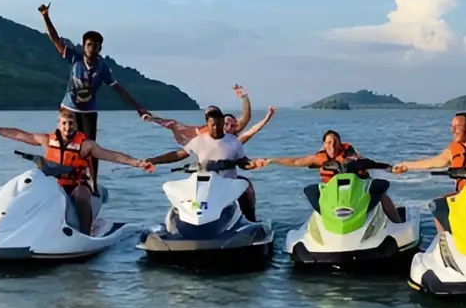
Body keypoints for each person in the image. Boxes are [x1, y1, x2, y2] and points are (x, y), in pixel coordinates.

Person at [0, 108, 154, 233]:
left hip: (75, 186)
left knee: (81, 193)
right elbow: (19, 134)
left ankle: (86, 232)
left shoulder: (86, 145)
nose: (67, 127)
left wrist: (137, 163)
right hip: (52, 186)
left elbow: (111, 155)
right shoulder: (47, 140)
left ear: (76, 125)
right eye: (64, 123)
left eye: (71, 123)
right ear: (59, 125)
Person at [37, 2, 149, 190]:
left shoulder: (102, 67)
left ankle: (93, 183)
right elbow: (55, 39)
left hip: (88, 111)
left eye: (96, 45)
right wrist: (46, 17)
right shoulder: (75, 58)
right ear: (84, 46)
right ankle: (57, 176)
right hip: (69, 107)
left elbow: (119, 88)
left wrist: (138, 107)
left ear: (100, 48)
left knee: (90, 147)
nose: (92, 48)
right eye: (89, 45)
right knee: (62, 142)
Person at [249, 129, 403, 223]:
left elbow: (371, 163)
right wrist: (272, 160)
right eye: (328, 143)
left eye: (335, 142)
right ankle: (326, 222)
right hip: (334, 194)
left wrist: (390, 168)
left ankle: (397, 222)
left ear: (340, 144)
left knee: (382, 194)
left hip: (358, 189)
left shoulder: (351, 157)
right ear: (323, 144)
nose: (332, 146)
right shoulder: (320, 158)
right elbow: (296, 161)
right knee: (312, 190)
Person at [144, 110, 258, 221]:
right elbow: (178, 155)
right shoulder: (198, 141)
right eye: (213, 125)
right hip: (203, 181)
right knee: (184, 194)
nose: (216, 128)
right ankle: (179, 219)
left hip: (227, 183)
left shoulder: (234, 142)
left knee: (247, 188)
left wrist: (253, 164)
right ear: (207, 125)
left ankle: (251, 219)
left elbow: (244, 162)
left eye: (218, 125)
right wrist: (153, 160)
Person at [144, 84, 256, 146]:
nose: (228, 127)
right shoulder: (202, 131)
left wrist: (244, 97)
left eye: (231, 125)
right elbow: (173, 124)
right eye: (226, 124)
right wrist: (153, 119)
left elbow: (246, 116)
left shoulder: (233, 129)